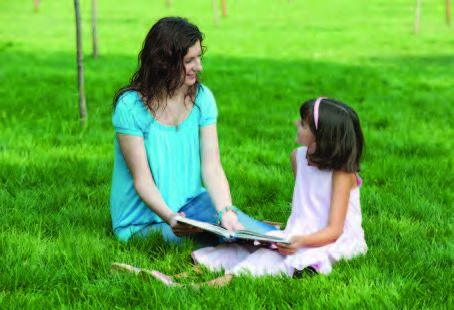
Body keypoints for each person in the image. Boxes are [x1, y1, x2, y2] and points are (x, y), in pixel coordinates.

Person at [149, 97, 368, 286]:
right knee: (238, 250)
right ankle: (176, 277)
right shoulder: (298, 157)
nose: (295, 123)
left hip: (331, 240)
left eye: (302, 124)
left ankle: (199, 287)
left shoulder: (341, 174)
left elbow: (334, 230)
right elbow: (308, 202)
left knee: (265, 259)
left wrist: (299, 241)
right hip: (298, 233)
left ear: (318, 139)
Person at [110, 17, 276, 243]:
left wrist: (226, 211)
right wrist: (171, 218)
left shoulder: (202, 98)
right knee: (227, 241)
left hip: (193, 205)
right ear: (164, 63)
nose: (199, 67)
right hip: (144, 222)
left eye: (199, 57)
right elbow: (142, 181)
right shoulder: (131, 106)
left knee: (250, 233)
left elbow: (212, 166)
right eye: (190, 60)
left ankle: (297, 250)